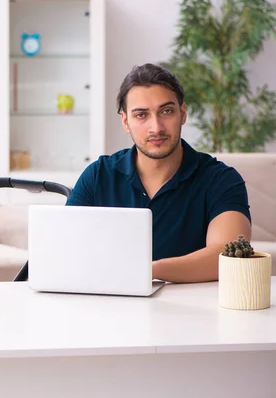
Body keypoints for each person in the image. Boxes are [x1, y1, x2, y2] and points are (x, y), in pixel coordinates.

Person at [66, 63, 252, 283]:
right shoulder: (98, 175)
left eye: (166, 111)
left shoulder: (221, 180)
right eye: (141, 115)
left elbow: (228, 256)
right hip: (111, 306)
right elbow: (67, 248)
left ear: (182, 113)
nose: (156, 127)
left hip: (195, 311)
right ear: (125, 121)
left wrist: (149, 270)